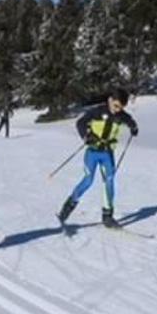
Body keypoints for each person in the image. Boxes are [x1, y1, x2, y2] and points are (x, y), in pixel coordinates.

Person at [57, 88, 138, 229]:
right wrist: (86, 136)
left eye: (121, 107)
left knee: (110, 180)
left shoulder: (121, 115)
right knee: (88, 180)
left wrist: (134, 127)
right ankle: (68, 206)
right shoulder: (97, 111)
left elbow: (130, 120)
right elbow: (80, 123)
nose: (118, 110)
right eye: (116, 106)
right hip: (93, 152)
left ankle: (107, 216)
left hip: (107, 153)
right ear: (110, 101)